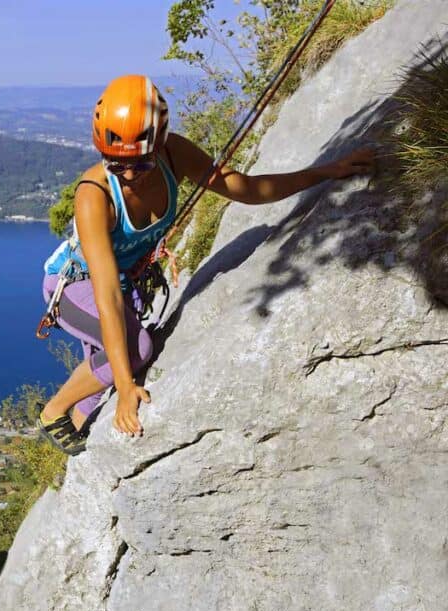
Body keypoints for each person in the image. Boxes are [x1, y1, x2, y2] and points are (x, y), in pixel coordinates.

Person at [37, 74, 375, 453]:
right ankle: (53, 413)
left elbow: (244, 189)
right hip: (75, 286)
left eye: (140, 164)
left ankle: (80, 439)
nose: (129, 175)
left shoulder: (174, 155)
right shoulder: (94, 195)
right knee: (135, 352)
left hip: (122, 282)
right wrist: (127, 385)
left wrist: (325, 172)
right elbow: (107, 296)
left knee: (109, 368)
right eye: (116, 164)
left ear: (159, 145)